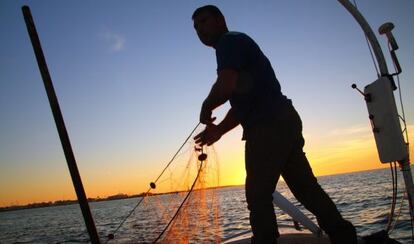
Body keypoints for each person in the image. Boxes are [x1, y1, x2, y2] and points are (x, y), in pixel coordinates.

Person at [192, 5, 358, 244]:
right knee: (306, 189)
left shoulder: (229, 42)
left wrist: (206, 105)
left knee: (258, 195)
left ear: (220, 20)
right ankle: (344, 237)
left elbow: (226, 84)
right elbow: (242, 106)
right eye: (196, 27)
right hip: (284, 121)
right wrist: (218, 130)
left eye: (204, 21)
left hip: (268, 127)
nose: (199, 29)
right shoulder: (236, 46)